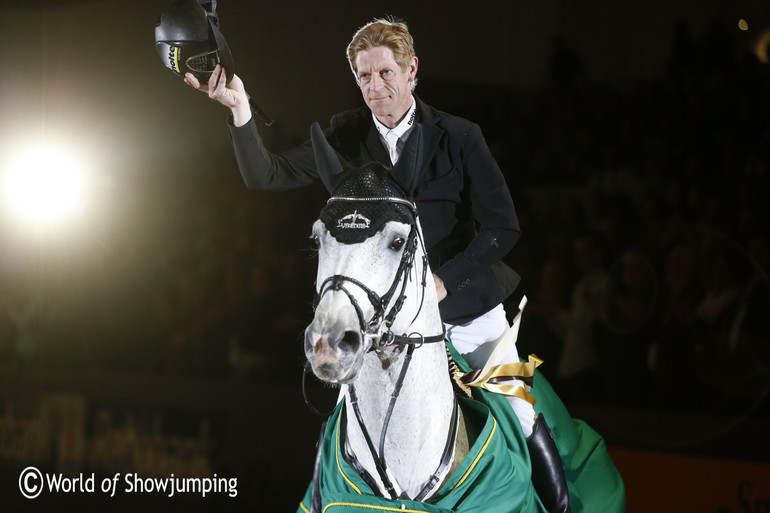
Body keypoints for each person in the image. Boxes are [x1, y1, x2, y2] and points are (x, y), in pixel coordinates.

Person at [185, 17, 570, 511]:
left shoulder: (459, 135)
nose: (375, 87)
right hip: (381, 315)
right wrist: (239, 108)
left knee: (519, 408)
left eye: (386, 73)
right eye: (364, 76)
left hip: (461, 301)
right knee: (344, 419)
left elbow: (503, 228)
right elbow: (269, 175)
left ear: (412, 70)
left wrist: (444, 282)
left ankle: (557, 506)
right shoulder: (344, 134)